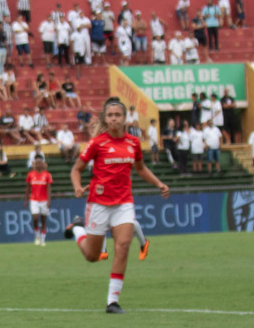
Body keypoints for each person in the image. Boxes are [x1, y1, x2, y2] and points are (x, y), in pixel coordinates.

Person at [64, 97, 169, 314]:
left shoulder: (133, 142)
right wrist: (76, 186)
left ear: (124, 118)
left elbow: (140, 168)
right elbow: (76, 169)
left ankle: (112, 301)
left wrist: (159, 183)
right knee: (92, 257)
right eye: (110, 115)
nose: (114, 119)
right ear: (105, 118)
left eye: (117, 115)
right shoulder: (97, 143)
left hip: (123, 203)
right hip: (98, 204)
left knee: (122, 246)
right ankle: (76, 229)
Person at [25, 156, 52, 246]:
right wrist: (25, 200)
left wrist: (49, 200)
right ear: (34, 165)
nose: (38, 165)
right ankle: (37, 236)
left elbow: (48, 188)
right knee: (35, 218)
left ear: (42, 164)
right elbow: (28, 188)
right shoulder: (30, 175)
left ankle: (43, 239)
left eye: (40, 163)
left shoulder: (47, 175)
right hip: (34, 200)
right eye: (37, 163)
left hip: (44, 200)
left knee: (43, 220)